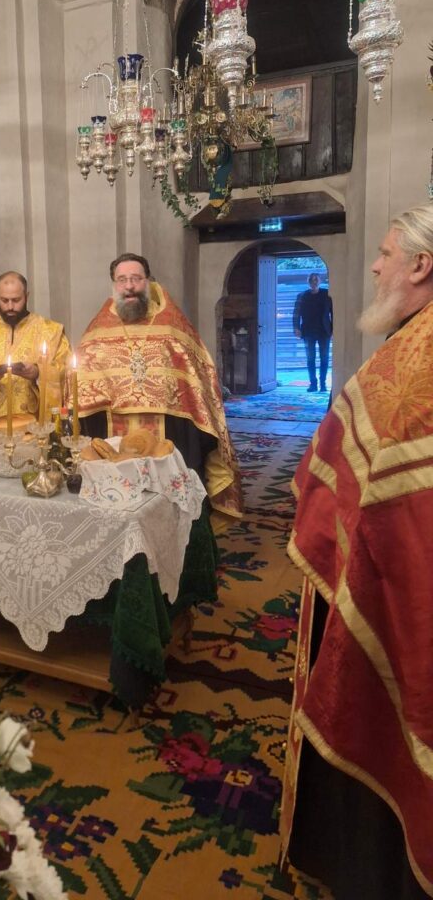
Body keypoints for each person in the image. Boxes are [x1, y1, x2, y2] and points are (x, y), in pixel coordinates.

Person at [281, 203, 433, 899]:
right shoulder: (410, 339)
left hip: (397, 578)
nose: (374, 267)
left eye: (385, 254)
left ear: (421, 265)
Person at [76, 253, 243, 609]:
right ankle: (118, 568)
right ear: (114, 284)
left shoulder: (171, 325)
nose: (130, 286)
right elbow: (82, 383)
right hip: (114, 436)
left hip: (171, 433)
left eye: (136, 278)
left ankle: (184, 569)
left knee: (175, 501)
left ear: (148, 281)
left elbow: (197, 378)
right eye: (122, 280)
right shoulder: (98, 330)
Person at [0, 272, 70, 433]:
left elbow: (66, 370)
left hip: (33, 425)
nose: (10, 307)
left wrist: (38, 373)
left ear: (27, 296)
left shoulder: (50, 331)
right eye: (4, 300)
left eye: (16, 300)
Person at [292, 272, 333, 392]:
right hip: (308, 331)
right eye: (311, 280)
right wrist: (296, 327)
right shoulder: (302, 296)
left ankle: (323, 384)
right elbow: (296, 313)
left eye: (316, 280)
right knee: (310, 358)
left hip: (324, 331)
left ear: (320, 281)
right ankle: (313, 384)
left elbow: (333, 312)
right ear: (308, 282)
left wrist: (334, 329)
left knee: (324, 358)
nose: (314, 282)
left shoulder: (327, 294)